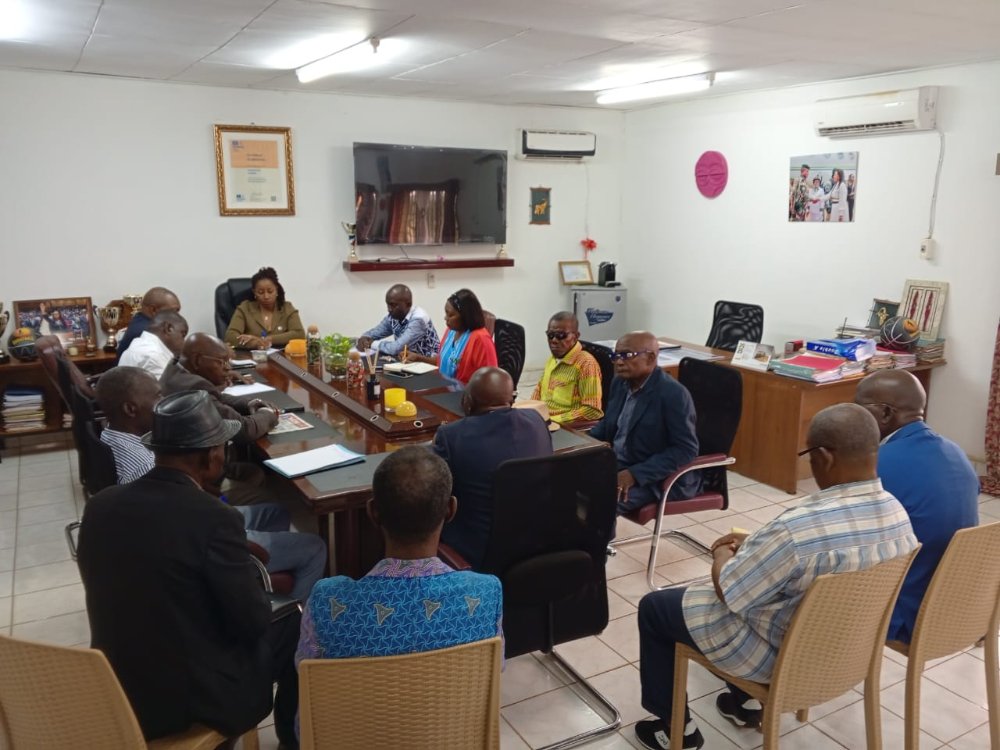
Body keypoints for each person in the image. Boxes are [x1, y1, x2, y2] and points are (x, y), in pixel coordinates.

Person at [633, 404, 918, 750]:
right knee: (764, 593)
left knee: (656, 608)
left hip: (780, 659)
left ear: (825, 457)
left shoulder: (797, 527)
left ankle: (676, 730)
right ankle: (746, 705)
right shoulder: (898, 515)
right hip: (845, 655)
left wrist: (721, 554)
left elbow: (731, 591)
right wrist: (758, 547)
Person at [77, 390, 301, 747]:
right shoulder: (215, 518)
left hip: (114, 682)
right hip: (186, 700)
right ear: (212, 455)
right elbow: (252, 621)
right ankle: (291, 739)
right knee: (294, 622)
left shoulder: (100, 505)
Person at [96, 367, 326, 603]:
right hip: (195, 544)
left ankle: (265, 583)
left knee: (275, 512)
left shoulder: (111, 436)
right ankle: (291, 617)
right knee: (314, 547)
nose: (163, 401)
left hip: (193, 527)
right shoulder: (144, 468)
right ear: (130, 409)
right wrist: (238, 545)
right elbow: (187, 532)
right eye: (157, 396)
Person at [296, 445, 503, 665]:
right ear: (451, 510)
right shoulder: (486, 594)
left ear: (372, 513)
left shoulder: (326, 601)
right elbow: (495, 667)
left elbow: (306, 671)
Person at [855, 370, 979, 643]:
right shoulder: (956, 452)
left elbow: (847, 538)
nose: (855, 418)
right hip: (962, 606)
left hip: (906, 612)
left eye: (860, 408)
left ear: (885, 413)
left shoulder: (878, 463)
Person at [433, 367, 552, 567]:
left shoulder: (451, 436)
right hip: (537, 543)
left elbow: (435, 488)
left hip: (477, 552)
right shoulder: (536, 420)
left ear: (467, 402)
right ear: (511, 399)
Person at [161, 333, 279, 505]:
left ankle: (236, 509)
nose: (227, 368)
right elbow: (243, 429)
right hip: (198, 478)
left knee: (254, 473)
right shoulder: (194, 386)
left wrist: (249, 403)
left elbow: (217, 398)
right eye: (221, 362)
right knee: (271, 501)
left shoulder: (176, 370)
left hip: (191, 465)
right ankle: (229, 511)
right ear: (197, 360)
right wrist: (268, 414)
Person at [589, 331, 699, 514]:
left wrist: (635, 474)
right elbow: (608, 423)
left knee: (601, 502)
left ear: (650, 358)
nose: (618, 362)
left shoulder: (673, 394)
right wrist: (583, 443)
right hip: (618, 464)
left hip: (655, 477)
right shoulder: (620, 383)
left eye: (627, 355)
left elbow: (685, 449)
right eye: (616, 355)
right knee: (564, 480)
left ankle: (594, 534)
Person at [404, 288, 497, 385]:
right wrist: (418, 358)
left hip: (464, 392)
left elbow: (491, 380)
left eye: (450, 315)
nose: (445, 318)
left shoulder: (481, 339)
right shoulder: (451, 331)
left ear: (465, 316)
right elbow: (443, 361)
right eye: (446, 313)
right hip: (443, 386)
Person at [530, 311, 603, 424]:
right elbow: (538, 391)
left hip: (566, 426)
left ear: (576, 336)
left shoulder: (586, 363)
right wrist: (530, 413)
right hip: (544, 421)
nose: (554, 340)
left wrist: (552, 421)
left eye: (561, 335)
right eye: (550, 335)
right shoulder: (552, 360)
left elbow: (592, 411)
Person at [224, 266, 305, 349]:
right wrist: (255, 343)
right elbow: (230, 336)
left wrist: (269, 339)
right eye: (260, 292)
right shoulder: (245, 308)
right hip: (252, 355)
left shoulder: (287, 308)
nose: (266, 296)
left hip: (282, 355)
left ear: (276, 290)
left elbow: (299, 334)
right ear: (254, 292)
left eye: (270, 291)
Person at [356, 283, 440, 358]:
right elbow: (375, 332)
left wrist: (371, 344)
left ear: (408, 304)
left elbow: (396, 348)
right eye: (388, 304)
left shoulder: (419, 319)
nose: (389, 309)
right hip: (407, 361)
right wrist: (364, 338)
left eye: (393, 305)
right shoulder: (394, 315)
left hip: (428, 365)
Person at [118, 310, 188, 379]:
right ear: (169, 328)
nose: (183, 342)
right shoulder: (155, 356)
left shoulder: (138, 343)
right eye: (183, 335)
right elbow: (163, 386)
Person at [116, 287, 181, 360]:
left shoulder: (139, 320)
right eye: (173, 311)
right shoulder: (148, 332)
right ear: (153, 310)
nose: (177, 316)